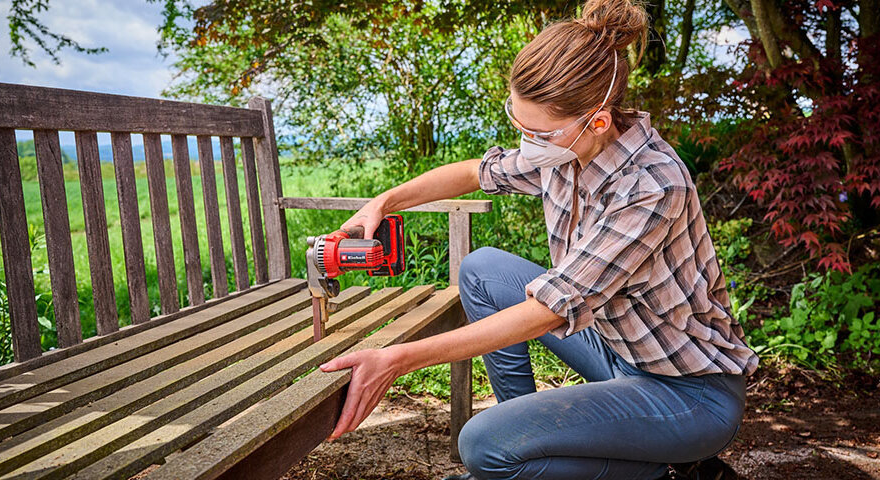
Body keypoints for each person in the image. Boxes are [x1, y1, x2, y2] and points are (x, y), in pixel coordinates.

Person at [317, 1, 760, 478]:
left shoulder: (651, 186)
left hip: (687, 393)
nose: (528, 144)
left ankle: (659, 469)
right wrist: (384, 201)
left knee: (482, 445)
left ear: (598, 122)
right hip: (616, 351)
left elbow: (550, 310)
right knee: (483, 269)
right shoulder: (563, 147)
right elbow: (473, 172)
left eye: (539, 132)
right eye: (519, 125)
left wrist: (397, 359)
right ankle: (533, 448)